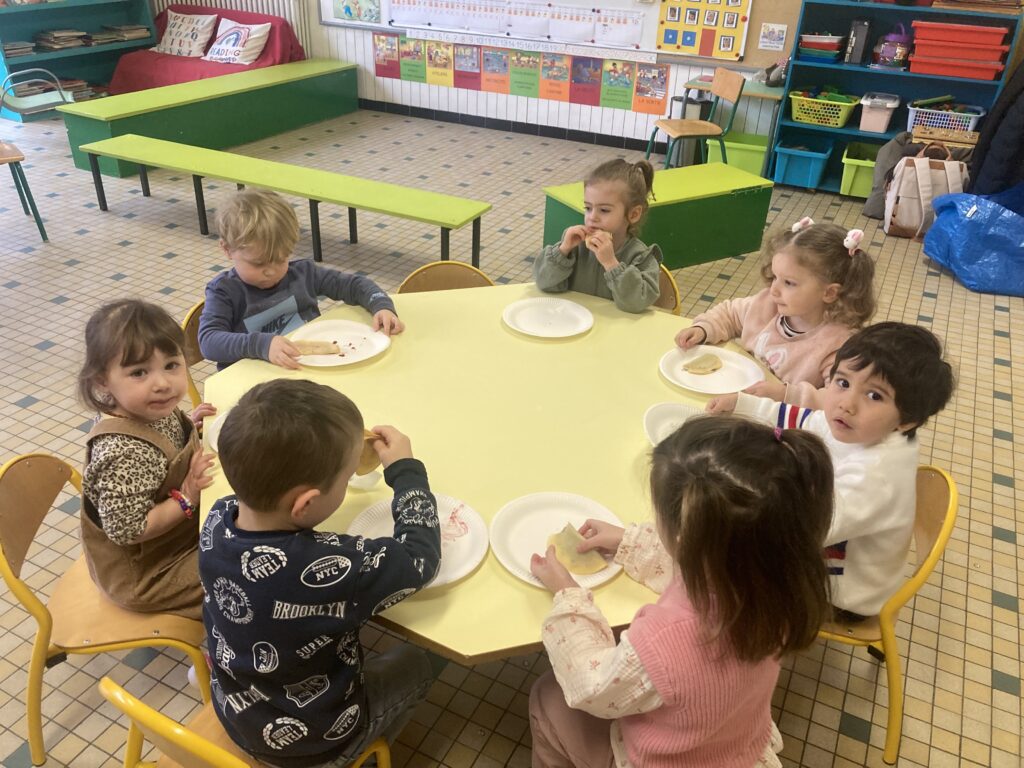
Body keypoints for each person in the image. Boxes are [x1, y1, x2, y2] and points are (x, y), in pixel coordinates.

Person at [529, 416, 836, 768]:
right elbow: (703, 562)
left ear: (685, 540)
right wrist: (628, 542)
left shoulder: (663, 642)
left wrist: (568, 595)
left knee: (547, 697)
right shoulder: (783, 583)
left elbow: (592, 687)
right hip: (734, 748)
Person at [198, 379, 441, 768]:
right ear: (306, 503)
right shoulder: (334, 566)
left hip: (237, 710)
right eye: (345, 480)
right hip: (317, 741)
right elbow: (420, 558)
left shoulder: (216, 517)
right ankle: (358, 756)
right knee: (421, 661)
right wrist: (406, 472)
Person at [707, 322, 955, 620]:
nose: (846, 404)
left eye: (874, 396)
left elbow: (806, 530)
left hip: (845, 594)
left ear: (907, 421)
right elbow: (802, 420)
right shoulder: (859, 427)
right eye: (843, 383)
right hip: (828, 532)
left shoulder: (875, 476)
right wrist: (741, 405)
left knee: (726, 566)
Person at [76, 299, 216, 619]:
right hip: (149, 575)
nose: (163, 383)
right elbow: (130, 530)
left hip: (175, 541)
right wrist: (188, 496)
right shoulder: (122, 455)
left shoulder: (149, 408)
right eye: (139, 372)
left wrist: (188, 423)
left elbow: (162, 450)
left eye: (171, 365)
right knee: (243, 570)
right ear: (102, 381)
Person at [675, 217, 876, 407]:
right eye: (775, 277)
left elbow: (837, 399)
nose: (774, 290)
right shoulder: (768, 304)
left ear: (829, 293)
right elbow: (730, 314)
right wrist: (704, 329)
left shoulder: (838, 344)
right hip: (738, 399)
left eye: (789, 283)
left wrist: (786, 394)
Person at [198, 188, 403, 370]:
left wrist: (381, 305)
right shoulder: (224, 291)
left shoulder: (303, 273)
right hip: (256, 385)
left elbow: (354, 285)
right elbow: (208, 342)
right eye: (258, 264)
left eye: (281, 259)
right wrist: (262, 345)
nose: (271, 271)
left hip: (310, 370)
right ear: (227, 249)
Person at [533, 158, 663, 313]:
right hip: (573, 321)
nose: (592, 217)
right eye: (588, 208)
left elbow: (636, 304)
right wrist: (563, 250)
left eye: (604, 210)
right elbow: (543, 283)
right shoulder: (576, 247)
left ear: (633, 214)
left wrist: (611, 264)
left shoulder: (642, 257)